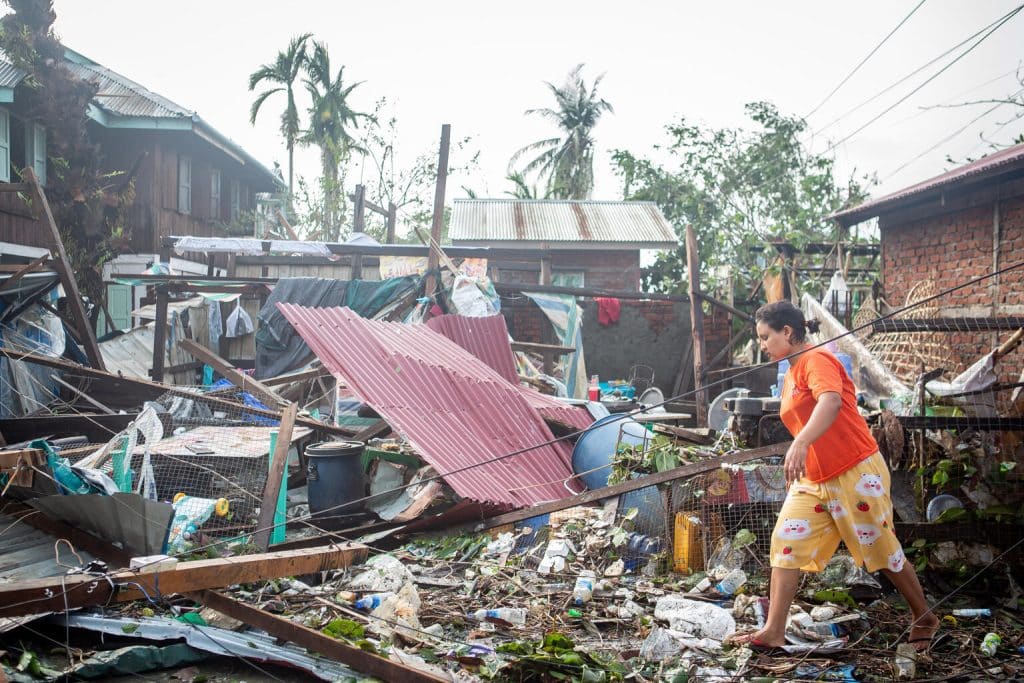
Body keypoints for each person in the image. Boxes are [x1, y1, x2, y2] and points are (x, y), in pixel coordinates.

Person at [734, 301, 938, 652]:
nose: (762, 345)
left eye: (766, 337)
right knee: (785, 544)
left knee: (881, 548)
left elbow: (829, 401)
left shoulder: (816, 360)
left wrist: (800, 443)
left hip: (854, 470)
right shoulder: (792, 371)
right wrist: (802, 453)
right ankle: (773, 630)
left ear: (787, 331)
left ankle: (924, 616)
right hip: (813, 479)